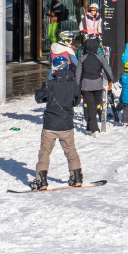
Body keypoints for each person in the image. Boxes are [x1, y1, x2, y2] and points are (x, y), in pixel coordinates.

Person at [30, 61, 83, 190]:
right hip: (66, 124)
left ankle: (41, 180)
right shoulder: (73, 84)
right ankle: (76, 178)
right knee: (71, 150)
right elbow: (76, 101)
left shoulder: (49, 84)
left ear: (55, 69)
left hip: (50, 124)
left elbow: (38, 98)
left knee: (45, 152)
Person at [77, 38, 112, 137]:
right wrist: (110, 80)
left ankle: (93, 129)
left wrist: (78, 87)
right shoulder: (100, 58)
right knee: (95, 106)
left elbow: (78, 75)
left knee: (90, 106)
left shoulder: (82, 59)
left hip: (86, 85)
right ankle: (92, 127)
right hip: (98, 84)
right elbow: (108, 70)